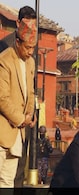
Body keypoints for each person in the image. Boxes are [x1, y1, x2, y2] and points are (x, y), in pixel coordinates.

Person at [0, 5, 37, 188]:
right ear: (18, 41)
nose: (31, 51)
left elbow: (31, 92)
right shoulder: (4, 57)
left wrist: (30, 114)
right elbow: (2, 98)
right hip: (4, 129)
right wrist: (21, 119)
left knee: (10, 180)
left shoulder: (30, 62)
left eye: (33, 47)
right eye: (28, 47)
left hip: (20, 133)